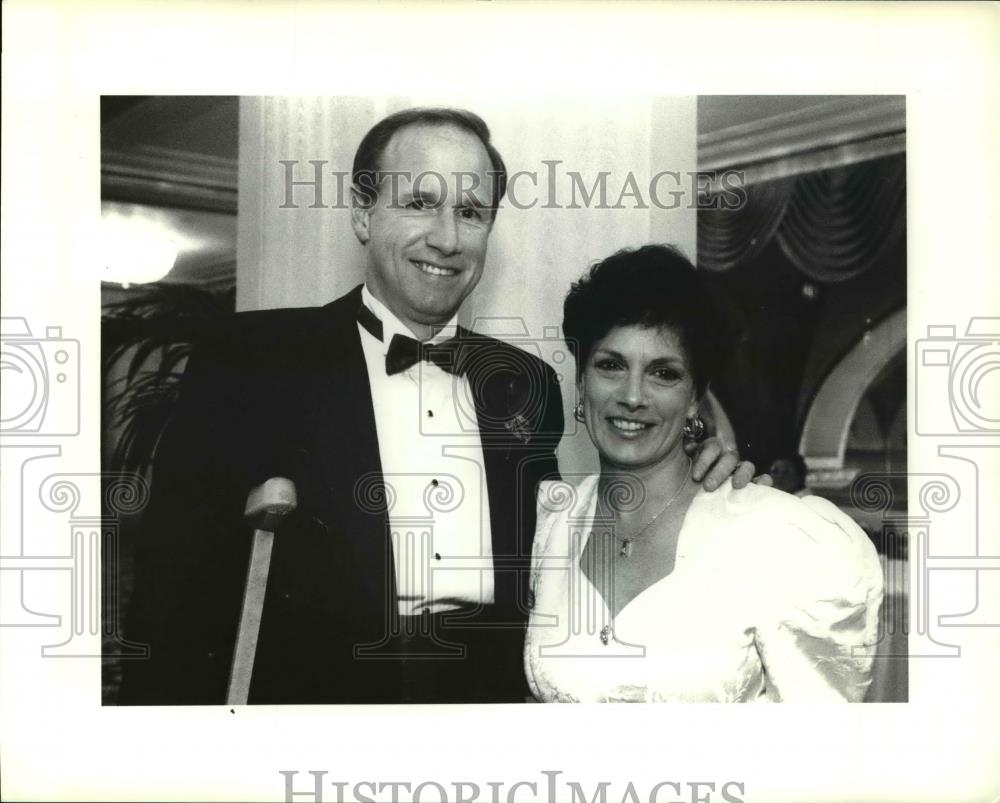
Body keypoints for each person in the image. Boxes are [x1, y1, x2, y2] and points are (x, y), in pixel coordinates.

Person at [120, 109, 753, 705]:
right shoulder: (254, 359)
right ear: (364, 214)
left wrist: (694, 461)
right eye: (421, 203)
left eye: (472, 212)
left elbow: (570, 537)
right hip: (310, 718)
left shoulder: (524, 383)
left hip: (491, 718)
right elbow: (171, 593)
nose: (448, 238)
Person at [525, 244, 883, 702]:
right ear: (581, 381)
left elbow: (818, 750)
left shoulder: (777, 535)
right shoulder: (551, 525)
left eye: (664, 373)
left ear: (696, 397)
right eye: (611, 365)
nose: (632, 396)